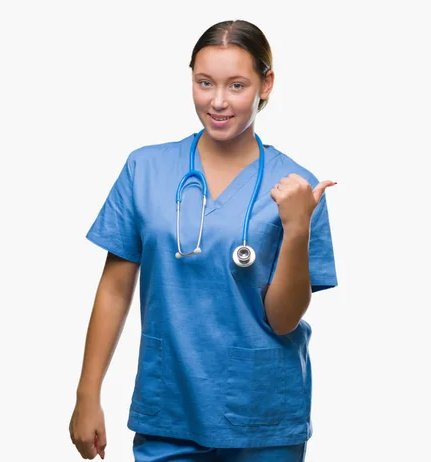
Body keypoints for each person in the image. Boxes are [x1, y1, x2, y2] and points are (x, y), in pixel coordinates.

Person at [69, 19, 338, 462]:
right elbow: (115, 288)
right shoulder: (146, 169)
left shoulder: (297, 189)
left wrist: (297, 229)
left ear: (265, 84)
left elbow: (284, 320)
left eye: (236, 85)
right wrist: (87, 394)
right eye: (204, 83)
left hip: (263, 415)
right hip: (169, 406)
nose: (217, 101)